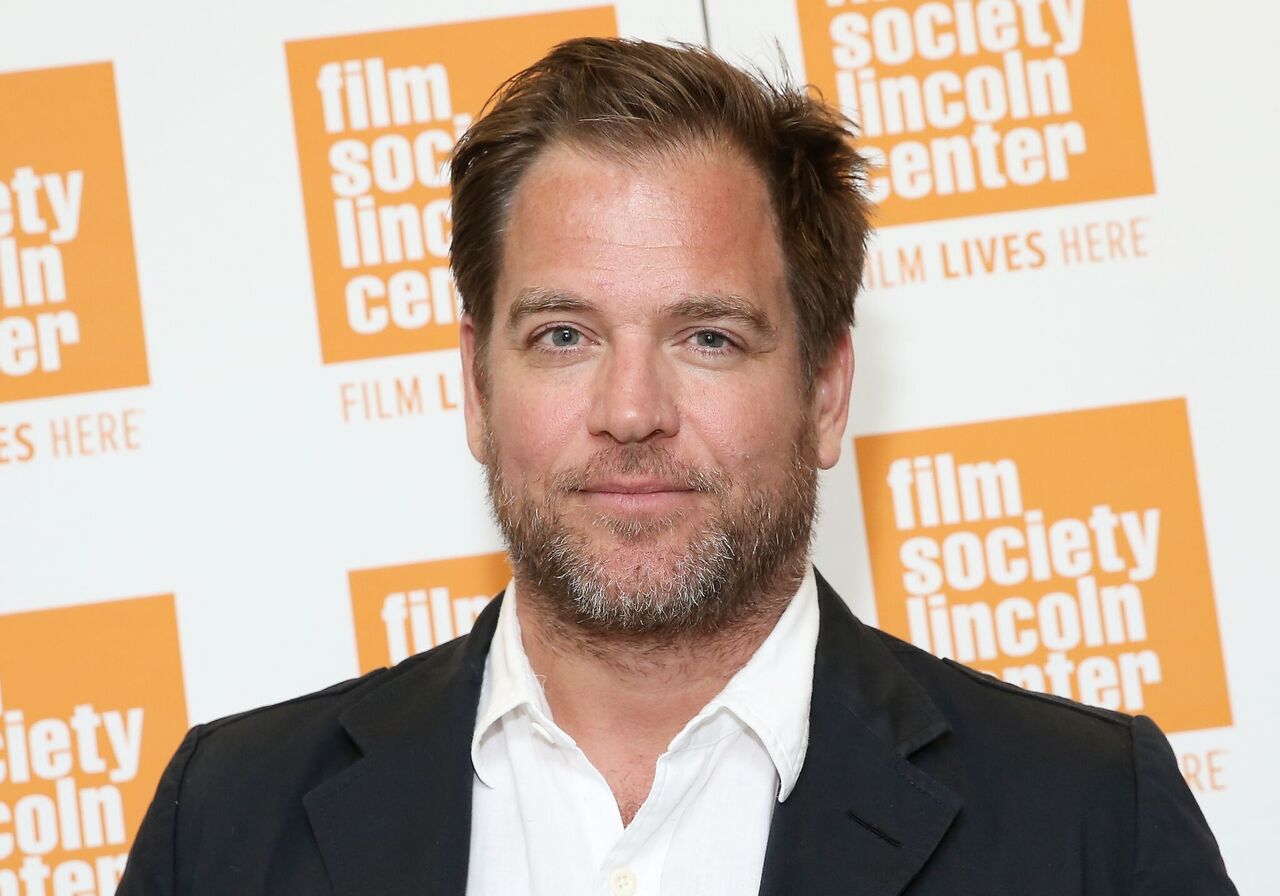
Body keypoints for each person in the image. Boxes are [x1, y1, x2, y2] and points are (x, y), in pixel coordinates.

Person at [118, 38, 1237, 895]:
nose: (631, 411)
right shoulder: (228, 818)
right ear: (473, 382)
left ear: (826, 389)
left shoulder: (1085, 818)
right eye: (564, 335)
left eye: (707, 336)